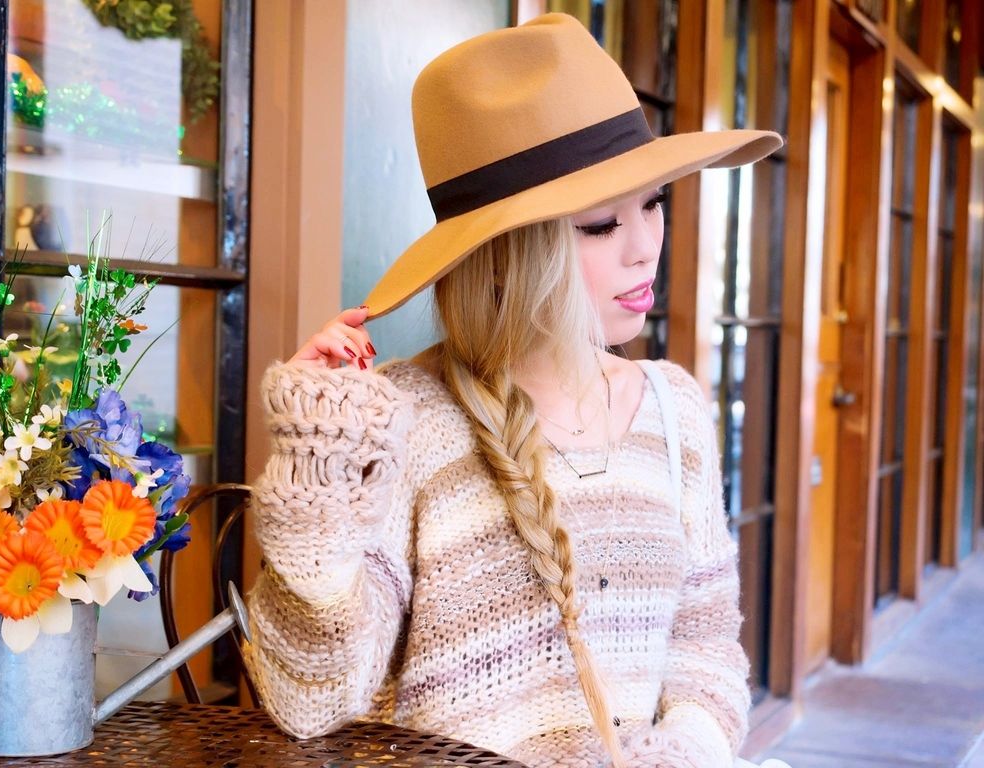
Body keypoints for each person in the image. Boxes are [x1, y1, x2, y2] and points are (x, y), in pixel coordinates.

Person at [242, 13, 784, 768]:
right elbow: (309, 700)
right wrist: (321, 466)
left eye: (654, 202)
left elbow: (705, 646)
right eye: (600, 225)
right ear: (505, 256)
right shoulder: (407, 421)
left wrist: (681, 754)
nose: (645, 247)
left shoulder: (675, 410)